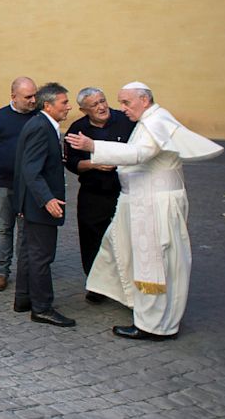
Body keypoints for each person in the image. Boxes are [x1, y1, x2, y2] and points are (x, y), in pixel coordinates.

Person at [66, 82, 222, 340]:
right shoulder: (149, 119)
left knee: (155, 264)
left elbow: (140, 153)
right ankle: (138, 305)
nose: (121, 108)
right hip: (142, 201)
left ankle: (154, 325)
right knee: (117, 248)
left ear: (144, 100)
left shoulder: (155, 121)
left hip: (153, 205)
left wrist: (94, 147)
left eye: (126, 103)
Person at [64, 87, 135, 302]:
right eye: (94, 105)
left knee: (126, 237)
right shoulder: (77, 129)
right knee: (92, 239)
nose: (102, 107)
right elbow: (72, 163)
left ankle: (127, 285)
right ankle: (96, 285)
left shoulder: (126, 121)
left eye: (103, 101)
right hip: (93, 192)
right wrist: (93, 164)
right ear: (84, 110)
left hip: (125, 189)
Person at [12, 82, 75, 327]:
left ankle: (24, 298)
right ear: (48, 105)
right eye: (64, 102)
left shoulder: (41, 124)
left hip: (33, 203)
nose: (69, 107)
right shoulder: (41, 127)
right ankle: (42, 307)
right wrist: (47, 199)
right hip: (39, 205)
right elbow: (31, 169)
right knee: (41, 256)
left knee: (30, 252)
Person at [0, 77, 38, 291]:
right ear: (13, 97)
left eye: (34, 95)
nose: (33, 100)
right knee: (3, 229)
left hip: (30, 186)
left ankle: (25, 273)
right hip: (3, 184)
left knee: (26, 231)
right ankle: (1, 272)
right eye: (28, 97)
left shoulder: (38, 118)